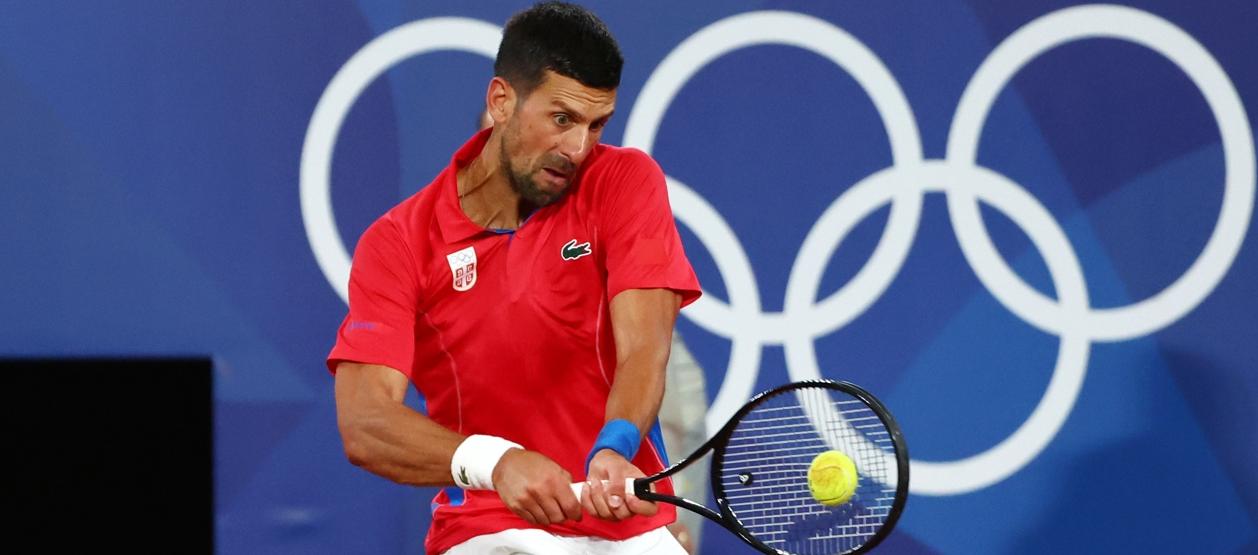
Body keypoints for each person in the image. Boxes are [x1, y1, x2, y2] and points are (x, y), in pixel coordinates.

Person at [329, 3, 700, 553]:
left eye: (597, 124)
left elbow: (644, 348)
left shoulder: (625, 181)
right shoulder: (400, 242)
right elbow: (365, 422)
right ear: (501, 101)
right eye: (562, 119)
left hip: (625, 524)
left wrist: (615, 446)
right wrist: (494, 461)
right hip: (488, 529)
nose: (578, 148)